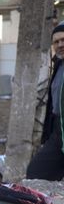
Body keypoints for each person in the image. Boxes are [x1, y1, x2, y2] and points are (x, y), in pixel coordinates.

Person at [26, 21, 64, 180]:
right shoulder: (59, 65)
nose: (60, 45)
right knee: (36, 172)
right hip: (58, 130)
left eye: (63, 40)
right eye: (56, 42)